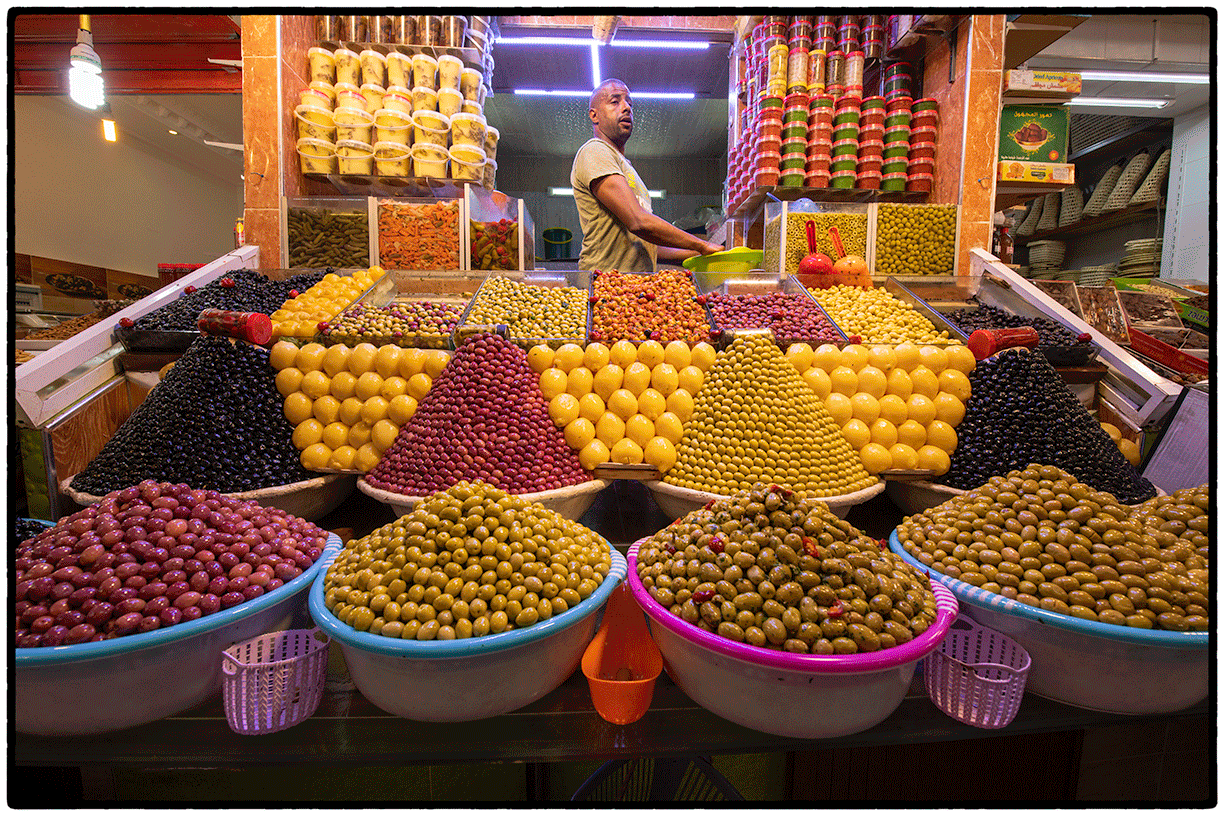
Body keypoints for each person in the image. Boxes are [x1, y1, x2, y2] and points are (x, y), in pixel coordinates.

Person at [570, 78, 723, 273]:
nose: (626, 108)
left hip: (631, 287)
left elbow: (648, 246)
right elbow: (638, 221)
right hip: (604, 283)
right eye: (615, 101)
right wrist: (699, 244)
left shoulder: (627, 168)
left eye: (629, 103)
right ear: (594, 115)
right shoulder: (595, 151)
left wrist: (703, 253)